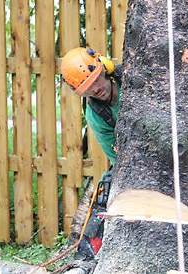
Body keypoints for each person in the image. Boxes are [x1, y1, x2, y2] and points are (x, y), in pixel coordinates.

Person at [61, 47, 121, 264]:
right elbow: (115, 154)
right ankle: (86, 260)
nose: (96, 89)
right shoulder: (96, 115)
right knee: (106, 189)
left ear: (104, 70)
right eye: (88, 87)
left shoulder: (132, 81)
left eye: (96, 80)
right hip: (130, 160)